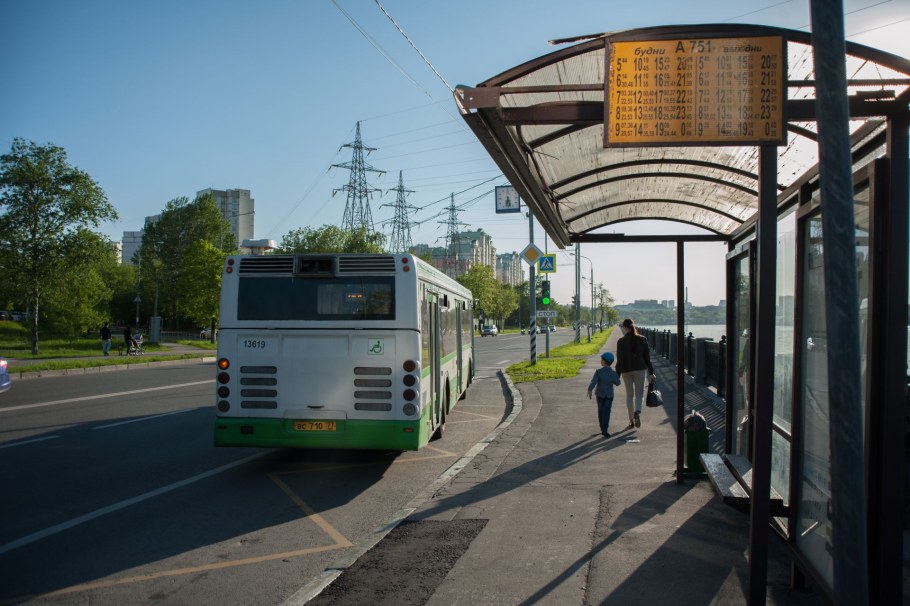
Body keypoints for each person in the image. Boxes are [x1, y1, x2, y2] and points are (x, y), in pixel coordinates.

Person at [615, 318, 655, 429]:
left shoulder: (621, 341)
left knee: (629, 395)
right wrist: (651, 373)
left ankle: (631, 420)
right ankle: (637, 411)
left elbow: (620, 360)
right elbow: (647, 358)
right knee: (639, 393)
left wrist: (617, 375)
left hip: (626, 371)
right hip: (640, 369)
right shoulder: (642, 339)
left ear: (624, 328)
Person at [587, 351, 621, 438]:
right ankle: (605, 429)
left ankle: (602, 427)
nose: (601, 361)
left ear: (604, 361)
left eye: (601, 359)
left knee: (600, 410)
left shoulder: (598, 371)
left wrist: (590, 389)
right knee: (607, 411)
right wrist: (616, 376)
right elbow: (618, 383)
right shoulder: (613, 373)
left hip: (599, 395)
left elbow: (593, 382)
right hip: (609, 396)